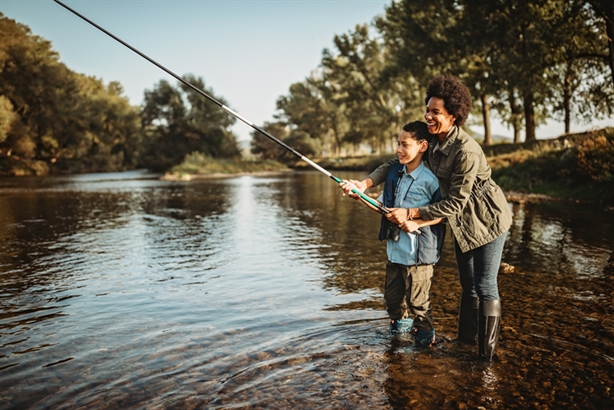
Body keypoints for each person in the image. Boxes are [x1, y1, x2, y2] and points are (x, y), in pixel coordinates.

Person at [342, 76, 512, 361]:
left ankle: (486, 358)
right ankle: (465, 344)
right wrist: (365, 185)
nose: (428, 116)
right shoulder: (430, 139)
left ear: (453, 116)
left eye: (436, 112)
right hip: (460, 222)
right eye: (428, 110)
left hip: (488, 219)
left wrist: (411, 214)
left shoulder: (466, 150)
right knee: (467, 285)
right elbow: (395, 163)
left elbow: (457, 201)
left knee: (485, 285)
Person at [340, 121, 445, 347]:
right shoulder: (395, 174)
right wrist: (359, 195)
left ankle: (425, 344)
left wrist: (416, 223)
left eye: (405, 145)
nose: (399, 149)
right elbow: (382, 208)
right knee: (392, 302)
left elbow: (444, 215)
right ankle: (399, 340)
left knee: (419, 304)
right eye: (398, 144)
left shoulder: (431, 180)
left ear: (422, 146)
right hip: (395, 253)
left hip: (418, 258)